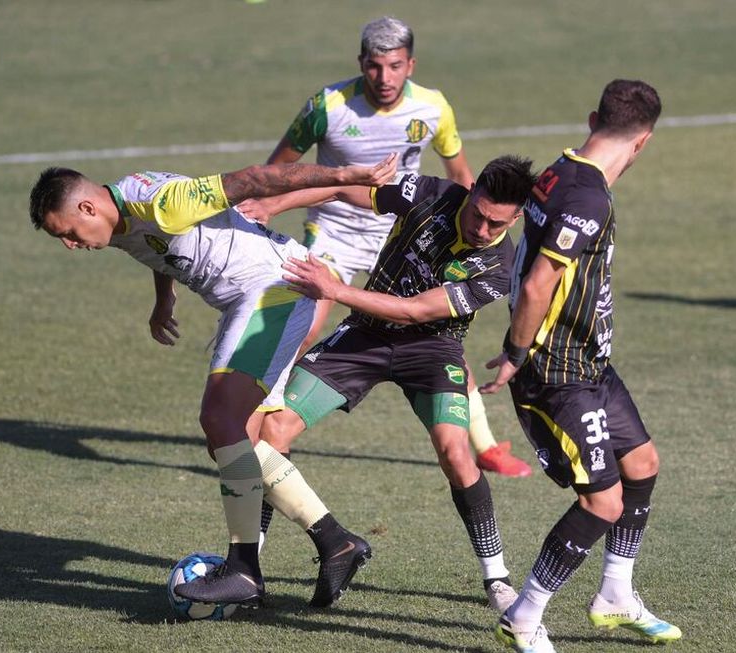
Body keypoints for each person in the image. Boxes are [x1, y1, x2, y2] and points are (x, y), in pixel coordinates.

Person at [27, 154, 396, 608]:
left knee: (221, 420)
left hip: (275, 289)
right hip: (251, 299)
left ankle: (244, 570)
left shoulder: (162, 202)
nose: (70, 244)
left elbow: (256, 179)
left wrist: (344, 176)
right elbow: (154, 248)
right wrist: (165, 298)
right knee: (229, 438)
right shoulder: (116, 218)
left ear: (86, 208)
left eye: (67, 233)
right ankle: (336, 542)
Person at [237, 155, 537, 612]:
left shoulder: (499, 266)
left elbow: (417, 310)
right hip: (365, 336)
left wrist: (334, 290)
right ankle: (248, 565)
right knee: (272, 430)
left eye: (497, 224)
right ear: (472, 191)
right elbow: (341, 190)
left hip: (433, 351)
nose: (481, 228)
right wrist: (275, 205)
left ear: (515, 219)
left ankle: (496, 578)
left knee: (457, 453)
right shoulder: (430, 194)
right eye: (478, 213)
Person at [263, 15, 531, 479]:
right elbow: (278, 168)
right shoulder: (326, 106)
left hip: (406, 228)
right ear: (361, 63)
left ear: (411, 65)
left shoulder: (433, 108)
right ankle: (268, 420)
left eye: (394, 66)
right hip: (337, 227)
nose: (384, 78)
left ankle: (484, 446)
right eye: (373, 66)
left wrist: (476, 234)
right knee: (306, 325)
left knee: (440, 343)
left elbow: (462, 179)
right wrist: (269, 205)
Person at [480, 80, 682, 651]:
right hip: (557, 371)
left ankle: (616, 593)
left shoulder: (557, 172)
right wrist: (518, 354)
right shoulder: (589, 199)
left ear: (593, 118)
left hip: (590, 361)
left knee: (641, 463)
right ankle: (524, 614)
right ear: (642, 143)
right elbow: (540, 281)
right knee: (603, 501)